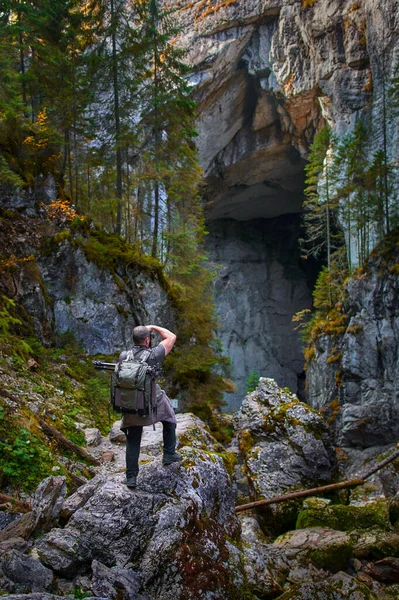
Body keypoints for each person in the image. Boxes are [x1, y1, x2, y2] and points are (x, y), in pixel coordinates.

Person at [119, 324, 181, 488]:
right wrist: (153, 327)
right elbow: (171, 337)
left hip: (130, 405)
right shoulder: (154, 354)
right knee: (169, 418)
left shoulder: (124, 356)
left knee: (133, 440)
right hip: (150, 404)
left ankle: (131, 478)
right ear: (147, 340)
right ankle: (169, 454)